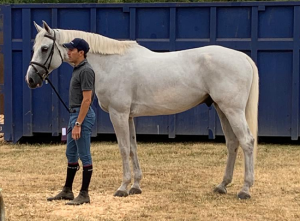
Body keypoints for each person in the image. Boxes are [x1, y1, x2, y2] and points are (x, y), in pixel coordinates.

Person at [47, 38, 96, 205]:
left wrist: (78, 124)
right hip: (74, 115)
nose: (68, 52)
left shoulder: (86, 71)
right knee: (71, 153)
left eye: (71, 50)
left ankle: (84, 194)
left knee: (84, 154)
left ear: (81, 52)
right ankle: (67, 190)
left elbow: (87, 100)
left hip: (82, 116)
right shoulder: (77, 69)